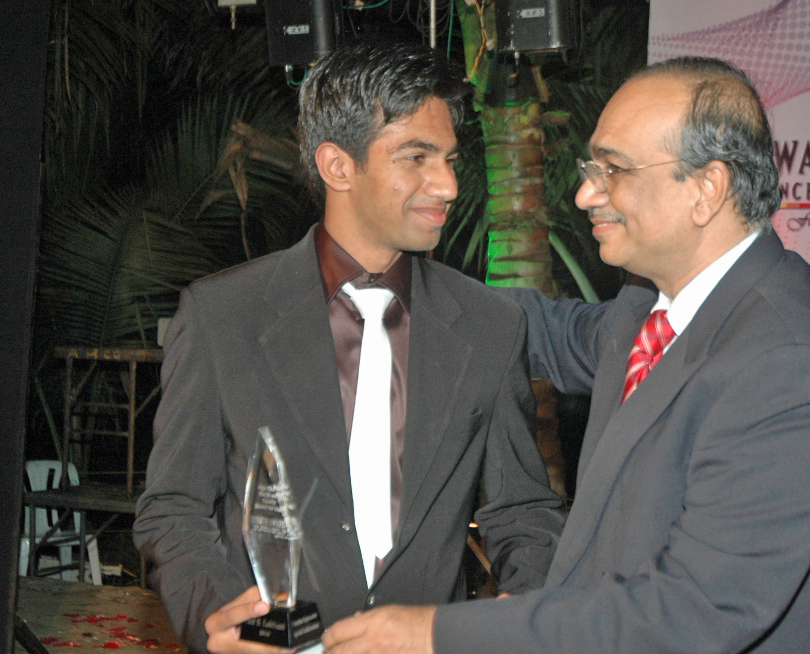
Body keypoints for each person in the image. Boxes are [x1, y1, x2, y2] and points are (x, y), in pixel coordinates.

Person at [320, 57, 810, 653]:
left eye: (614, 170)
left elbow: (691, 615)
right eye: (591, 168)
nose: (584, 194)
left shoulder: (792, 364)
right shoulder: (648, 313)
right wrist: (371, 282)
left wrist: (434, 634)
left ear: (707, 189)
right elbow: (526, 327)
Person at [133, 40, 564, 654]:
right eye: (416, 157)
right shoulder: (222, 316)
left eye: (448, 158)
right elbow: (173, 510)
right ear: (338, 166)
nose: (446, 184)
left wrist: (521, 614)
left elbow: (523, 513)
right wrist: (221, 616)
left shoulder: (490, 325)